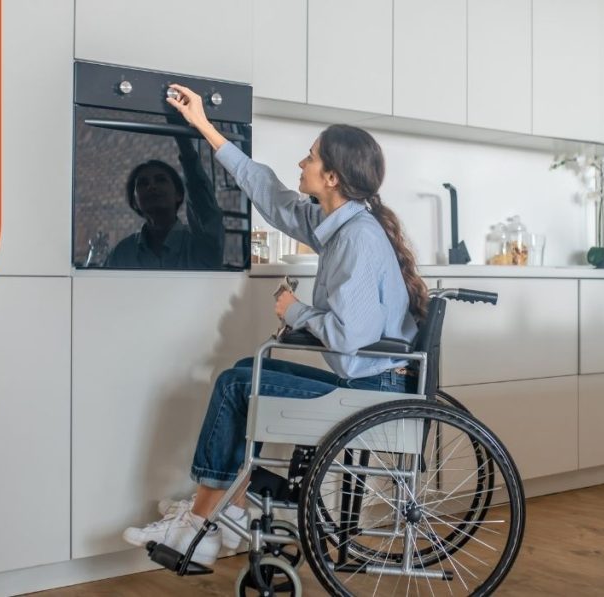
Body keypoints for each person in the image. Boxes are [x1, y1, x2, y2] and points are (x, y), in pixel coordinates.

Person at [121, 83, 429, 566]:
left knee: (235, 383)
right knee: (246, 374)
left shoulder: (356, 240)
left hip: (372, 390)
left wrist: (294, 311)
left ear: (331, 176)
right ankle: (228, 510)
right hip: (368, 377)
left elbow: (351, 339)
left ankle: (200, 522)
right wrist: (203, 126)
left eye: (309, 158)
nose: (300, 164)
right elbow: (267, 190)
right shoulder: (340, 225)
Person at [105, 132, 224, 269]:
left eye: (161, 180)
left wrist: (184, 144)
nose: (151, 186)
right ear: (135, 201)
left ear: (178, 194)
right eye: (143, 183)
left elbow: (204, 206)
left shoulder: (199, 246)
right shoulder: (123, 253)